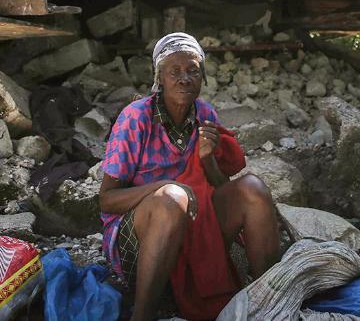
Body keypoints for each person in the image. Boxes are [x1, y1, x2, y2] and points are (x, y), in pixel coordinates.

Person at [98, 32, 281, 321]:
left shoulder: (205, 114)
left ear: (203, 77)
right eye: (175, 72)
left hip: (196, 228)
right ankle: (143, 315)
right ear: (160, 77)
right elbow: (107, 200)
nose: (184, 78)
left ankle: (270, 301)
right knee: (172, 197)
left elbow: (220, 188)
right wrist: (163, 187)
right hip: (140, 239)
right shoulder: (136, 118)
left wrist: (208, 158)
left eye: (193, 71)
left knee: (252, 188)